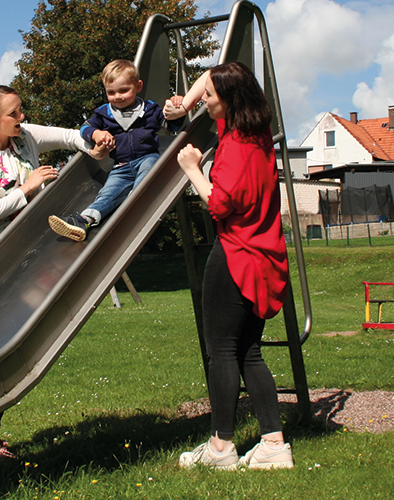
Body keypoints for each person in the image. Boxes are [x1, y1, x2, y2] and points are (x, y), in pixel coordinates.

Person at [0, 85, 109, 466]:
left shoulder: (26, 137)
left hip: (17, 261)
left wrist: (94, 142)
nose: (23, 118)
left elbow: (71, 137)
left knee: (8, 350)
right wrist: (28, 187)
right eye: (14, 114)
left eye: (22, 111)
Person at [163, 61, 294, 470]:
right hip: (264, 258)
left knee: (221, 352)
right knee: (249, 352)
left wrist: (192, 170)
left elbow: (219, 201)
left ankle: (221, 449)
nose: (204, 98)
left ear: (230, 99)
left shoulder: (235, 147)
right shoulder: (253, 136)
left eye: (210, 95)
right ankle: (274, 444)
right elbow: (214, 80)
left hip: (235, 256)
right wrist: (185, 102)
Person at [48, 59, 184, 241]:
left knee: (148, 171)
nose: (117, 96)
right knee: (108, 193)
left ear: (138, 86)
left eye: (123, 90)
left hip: (147, 157)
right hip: (121, 165)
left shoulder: (150, 109)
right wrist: (96, 134)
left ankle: (135, 203)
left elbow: (172, 126)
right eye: (111, 92)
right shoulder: (104, 113)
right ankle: (83, 220)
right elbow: (84, 128)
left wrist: (178, 106)